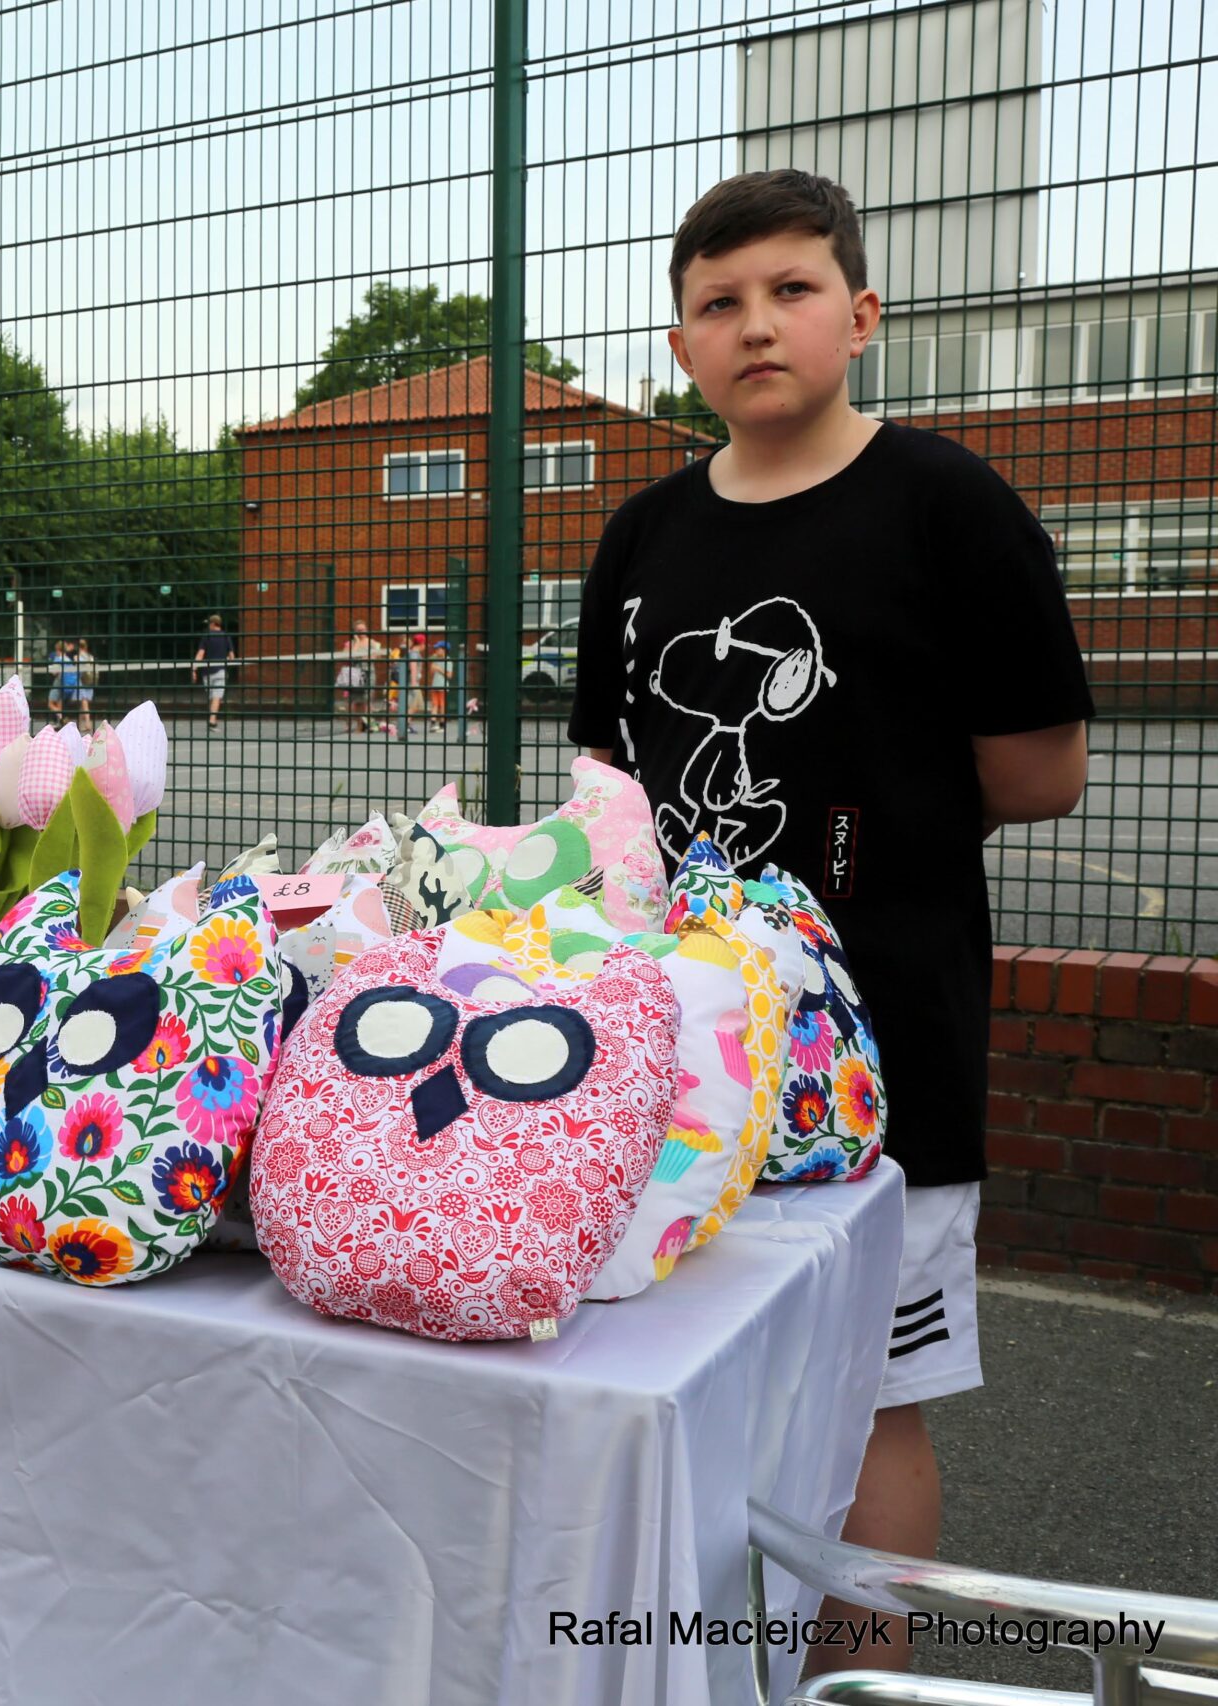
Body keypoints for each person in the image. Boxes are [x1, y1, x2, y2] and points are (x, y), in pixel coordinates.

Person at [569, 168, 1090, 1679]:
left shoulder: (949, 506)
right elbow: (610, 785)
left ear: (860, 316)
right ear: (680, 346)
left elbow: (1038, 770)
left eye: (791, 290)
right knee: (674, 1367)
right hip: (680, 1046)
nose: (756, 324)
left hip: (885, 1042)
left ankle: (862, 1679)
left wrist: (879, 836)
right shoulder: (642, 534)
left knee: (872, 1397)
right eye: (718, 303)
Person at [334, 619, 379, 733]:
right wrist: (357, 643)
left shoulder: (372, 643)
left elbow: (374, 657)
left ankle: (367, 723)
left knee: (367, 699)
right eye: (358, 630)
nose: (361, 632)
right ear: (354, 631)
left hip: (368, 673)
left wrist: (360, 657)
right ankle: (356, 724)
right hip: (355, 674)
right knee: (355, 700)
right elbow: (346, 657)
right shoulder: (351, 643)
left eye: (363, 630)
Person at [189, 614, 233, 730]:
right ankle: (212, 721)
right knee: (216, 697)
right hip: (220, 670)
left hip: (207, 672)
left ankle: (212, 719)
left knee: (212, 697)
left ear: (213, 624)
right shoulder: (226, 636)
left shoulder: (206, 636)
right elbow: (232, 656)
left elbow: (200, 654)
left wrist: (194, 669)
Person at [70, 638, 98, 732]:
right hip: (89, 681)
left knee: (84, 704)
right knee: (83, 705)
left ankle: (88, 723)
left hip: (82, 681)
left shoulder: (77, 657)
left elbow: (77, 669)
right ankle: (79, 725)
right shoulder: (90, 657)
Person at [48, 638, 75, 725]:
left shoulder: (58, 659)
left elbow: (54, 672)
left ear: (57, 649)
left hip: (58, 681)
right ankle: (60, 722)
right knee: (60, 704)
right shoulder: (68, 660)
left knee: (51, 703)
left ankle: (62, 718)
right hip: (66, 684)